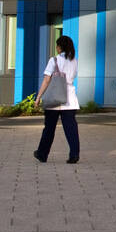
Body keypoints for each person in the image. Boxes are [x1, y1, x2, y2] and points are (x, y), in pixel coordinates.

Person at [33, 35, 80, 164]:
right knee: (71, 128)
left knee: (49, 128)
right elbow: (72, 76)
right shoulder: (74, 61)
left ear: (59, 47)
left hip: (54, 99)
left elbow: (47, 80)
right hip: (69, 99)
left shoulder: (54, 60)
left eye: (57, 46)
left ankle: (42, 154)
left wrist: (38, 97)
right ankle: (74, 154)